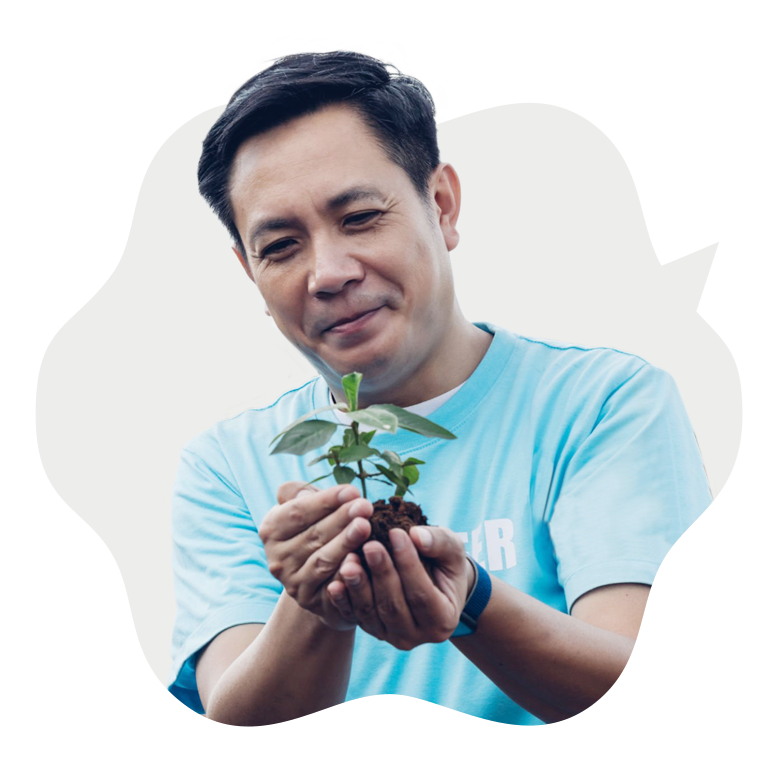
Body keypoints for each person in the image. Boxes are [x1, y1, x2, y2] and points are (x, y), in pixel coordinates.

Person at [167, 50, 713, 726]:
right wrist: (316, 602)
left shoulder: (604, 403)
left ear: (443, 205)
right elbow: (236, 728)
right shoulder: (227, 464)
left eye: (361, 216)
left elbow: (658, 693)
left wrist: (471, 600)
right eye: (280, 247)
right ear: (250, 274)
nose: (328, 272)